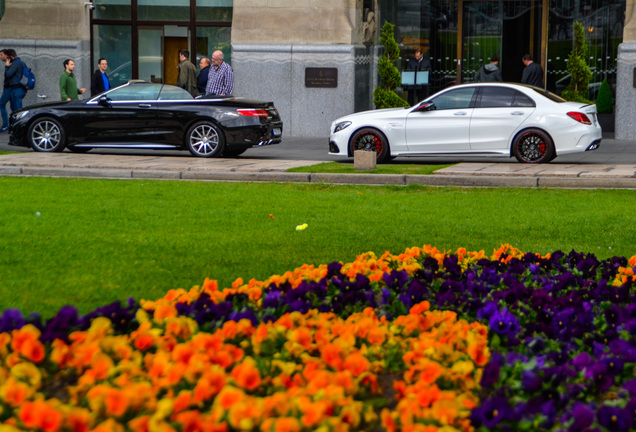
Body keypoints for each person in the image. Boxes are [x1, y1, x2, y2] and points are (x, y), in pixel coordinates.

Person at [1, 49, 27, 133]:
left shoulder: (15, 63)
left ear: (11, 57)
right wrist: (25, 89)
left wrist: (7, 66)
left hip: (16, 88)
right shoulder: (22, 63)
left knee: (17, 109)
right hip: (20, 88)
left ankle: (19, 128)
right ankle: (16, 127)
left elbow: (8, 75)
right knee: (15, 108)